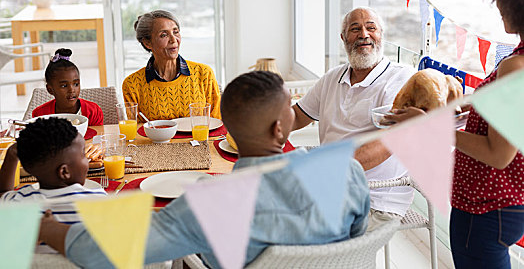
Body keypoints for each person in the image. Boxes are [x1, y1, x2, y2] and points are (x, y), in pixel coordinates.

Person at [38, 71, 370, 268]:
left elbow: (111, 248)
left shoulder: (208, 206)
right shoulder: (347, 173)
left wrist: (49, 230)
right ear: (280, 129)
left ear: (226, 132)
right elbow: (353, 245)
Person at [389, 0, 524, 269]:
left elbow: (498, 153)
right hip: (503, 206)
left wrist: (433, 126)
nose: (497, 7)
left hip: (486, 210)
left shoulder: (516, 67)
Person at [292, 7, 416, 231]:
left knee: (293, 231)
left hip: (374, 197)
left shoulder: (401, 77)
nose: (364, 35)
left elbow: (390, 141)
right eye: (355, 29)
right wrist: (260, 127)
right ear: (343, 38)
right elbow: (296, 116)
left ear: (381, 35)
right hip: (330, 186)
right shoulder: (332, 77)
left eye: (371, 28)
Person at [0, 117, 107, 253]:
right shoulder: (98, 201)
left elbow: (3, 192)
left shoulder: (19, 202)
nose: (87, 160)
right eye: (83, 155)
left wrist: (11, 155)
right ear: (64, 172)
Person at [122, 10, 221, 121]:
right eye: (164, 35)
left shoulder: (204, 73)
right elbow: (137, 132)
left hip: (199, 139)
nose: (174, 40)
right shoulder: (132, 84)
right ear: (147, 43)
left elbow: (217, 122)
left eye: (176, 32)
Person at [32, 48, 104, 126]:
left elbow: (98, 136)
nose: (71, 90)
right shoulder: (40, 115)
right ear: (50, 90)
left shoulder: (93, 111)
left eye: (76, 84)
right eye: (64, 86)